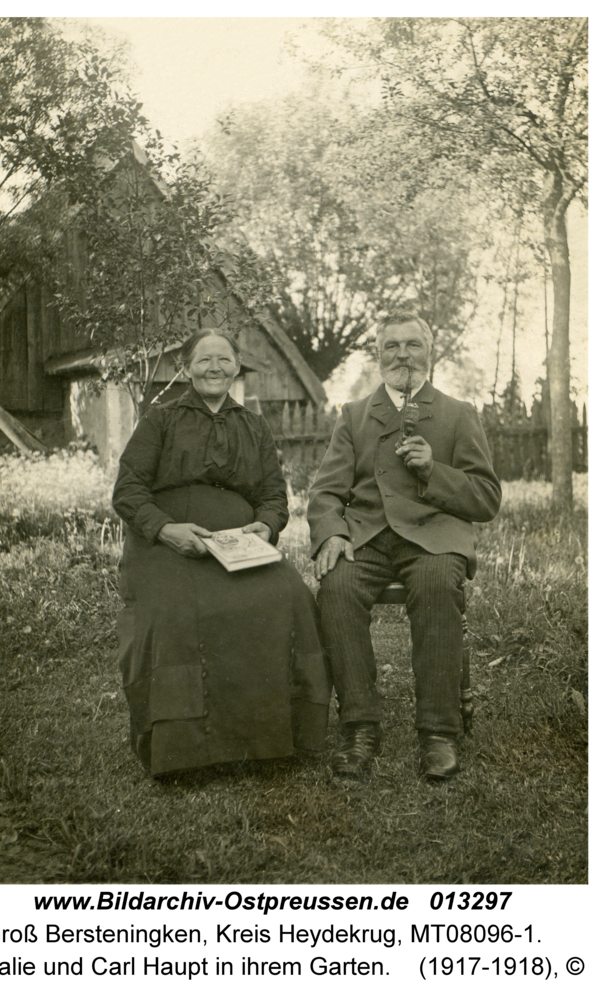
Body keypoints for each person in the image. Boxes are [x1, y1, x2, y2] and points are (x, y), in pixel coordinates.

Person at [112, 329, 331, 777]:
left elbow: (273, 494)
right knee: (175, 610)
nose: (214, 367)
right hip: (170, 545)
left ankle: (276, 740)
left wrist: (265, 526)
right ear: (185, 367)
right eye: (204, 359)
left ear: (237, 366)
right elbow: (128, 490)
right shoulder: (161, 420)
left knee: (288, 597)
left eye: (224, 359)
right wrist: (167, 529)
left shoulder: (253, 425)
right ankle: (184, 752)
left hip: (240, 544)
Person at [308, 311, 501, 780]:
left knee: (437, 585)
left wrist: (434, 471)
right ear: (379, 356)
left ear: (429, 352)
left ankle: (438, 732)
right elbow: (326, 491)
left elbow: (486, 497)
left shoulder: (458, 413)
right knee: (335, 589)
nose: (402, 355)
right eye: (391, 346)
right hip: (367, 536)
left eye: (412, 345)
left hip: (433, 536)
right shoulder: (355, 415)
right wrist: (331, 532)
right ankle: (359, 727)